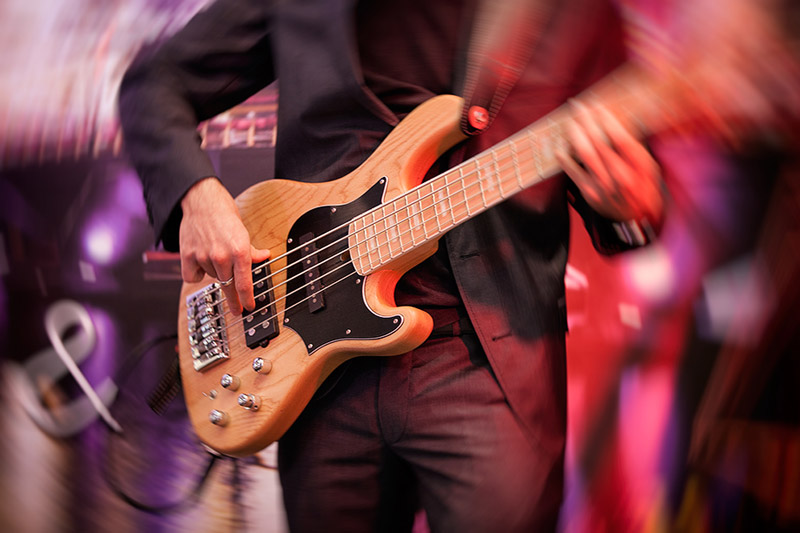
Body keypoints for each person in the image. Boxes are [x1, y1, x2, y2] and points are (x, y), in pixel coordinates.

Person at [118, 0, 664, 530]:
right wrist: (196, 195)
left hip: (488, 355)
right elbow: (154, 84)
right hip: (311, 358)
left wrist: (631, 206)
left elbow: (633, 188)